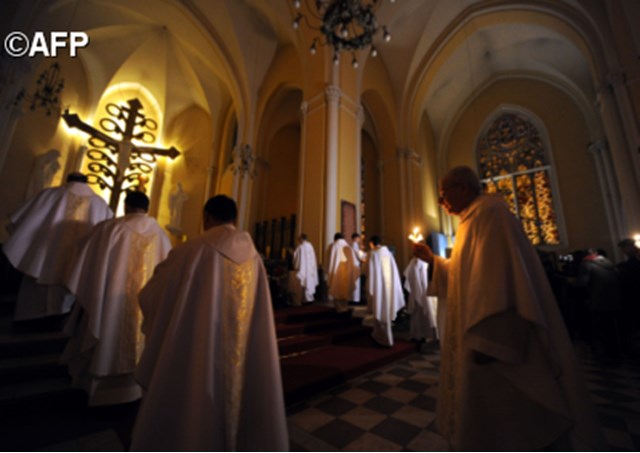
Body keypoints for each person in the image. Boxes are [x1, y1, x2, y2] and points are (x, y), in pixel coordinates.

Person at [412, 166, 605, 451]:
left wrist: (493, 339)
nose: (441, 203)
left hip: (494, 339)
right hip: (480, 333)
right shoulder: (471, 220)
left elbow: (497, 281)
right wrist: (433, 261)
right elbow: (466, 276)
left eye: (443, 195)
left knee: (510, 420)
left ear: (463, 188)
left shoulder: (490, 215)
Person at [130, 195, 288, 451]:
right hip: (245, 351)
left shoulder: (190, 251)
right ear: (234, 219)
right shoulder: (254, 258)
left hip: (197, 351)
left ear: (206, 217)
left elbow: (152, 296)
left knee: (194, 398)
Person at [61, 191, 171, 406]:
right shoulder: (161, 235)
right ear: (147, 208)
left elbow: (87, 257)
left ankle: (99, 392)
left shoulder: (112, 228)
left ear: (127, 205)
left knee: (105, 332)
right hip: (141, 306)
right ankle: (132, 391)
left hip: (109, 301)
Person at [3, 172, 113, 322]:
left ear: (67, 180)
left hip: (41, 263)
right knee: (63, 310)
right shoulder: (100, 204)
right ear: (86, 182)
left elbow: (20, 224)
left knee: (32, 309)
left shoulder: (49, 195)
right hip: (75, 269)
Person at [365, 235, 405, 346]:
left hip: (378, 288)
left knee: (380, 311)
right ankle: (379, 335)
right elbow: (394, 271)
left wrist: (370, 288)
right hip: (389, 288)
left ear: (372, 243)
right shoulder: (388, 253)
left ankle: (385, 339)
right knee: (385, 312)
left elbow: (369, 272)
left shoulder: (373, 254)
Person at [403, 255, 439, 345]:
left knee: (422, 314)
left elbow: (409, 276)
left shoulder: (417, 262)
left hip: (422, 292)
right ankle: (420, 335)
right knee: (420, 314)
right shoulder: (417, 262)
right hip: (422, 292)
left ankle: (422, 335)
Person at [324, 232, 359, 313]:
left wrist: (327, 270)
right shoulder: (348, 246)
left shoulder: (333, 246)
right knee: (345, 291)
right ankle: (344, 307)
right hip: (346, 274)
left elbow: (327, 261)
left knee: (336, 290)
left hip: (335, 272)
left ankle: (339, 308)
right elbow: (355, 262)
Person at [289, 233, 318, 305]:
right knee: (309, 283)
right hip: (310, 270)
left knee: (302, 283)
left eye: (299, 239)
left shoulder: (300, 247)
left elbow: (296, 258)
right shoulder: (310, 246)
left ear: (301, 239)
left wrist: (292, 253)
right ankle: (309, 299)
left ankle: (304, 299)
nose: (298, 241)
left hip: (303, 269)